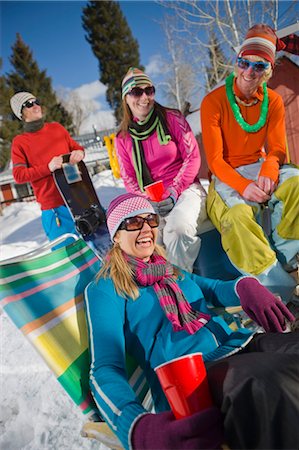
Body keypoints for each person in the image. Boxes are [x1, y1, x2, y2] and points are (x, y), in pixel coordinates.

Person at [84, 192, 298, 450]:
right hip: (193, 379)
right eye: (132, 222)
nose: (146, 229)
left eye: (150, 220)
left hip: (237, 344)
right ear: (116, 235)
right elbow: (104, 369)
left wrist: (245, 286)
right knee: (267, 382)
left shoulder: (168, 269)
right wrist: (136, 426)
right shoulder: (106, 288)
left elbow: (214, 288)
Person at [200, 24, 299, 303]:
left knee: (296, 186)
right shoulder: (213, 101)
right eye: (244, 63)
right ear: (237, 61)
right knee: (236, 218)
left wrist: (269, 168)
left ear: (267, 70)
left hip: (259, 163)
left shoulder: (274, 101)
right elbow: (216, 161)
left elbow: (278, 148)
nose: (249, 72)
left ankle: (288, 263)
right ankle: (276, 292)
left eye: (258, 66)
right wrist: (244, 187)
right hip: (227, 173)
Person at [115, 67, 207, 272]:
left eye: (149, 90)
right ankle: (158, 288)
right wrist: (146, 200)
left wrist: (174, 191)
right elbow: (128, 178)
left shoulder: (172, 118)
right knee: (148, 240)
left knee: (178, 228)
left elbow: (192, 157)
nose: (144, 97)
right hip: (150, 199)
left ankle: (179, 287)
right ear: (126, 98)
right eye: (137, 92)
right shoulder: (122, 138)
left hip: (185, 189)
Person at [10, 91, 84, 248]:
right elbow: (19, 175)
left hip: (80, 198)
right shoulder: (20, 142)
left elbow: (76, 148)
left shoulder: (57, 129)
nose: (36, 105)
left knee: (99, 250)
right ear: (21, 113)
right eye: (29, 104)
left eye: (36, 101)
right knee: (70, 260)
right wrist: (48, 168)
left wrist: (79, 153)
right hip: (55, 209)